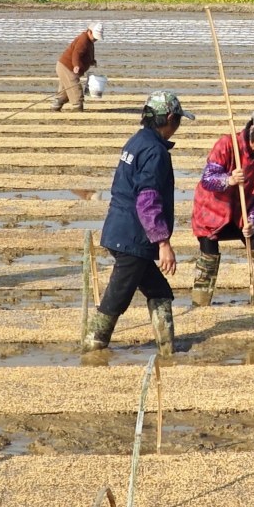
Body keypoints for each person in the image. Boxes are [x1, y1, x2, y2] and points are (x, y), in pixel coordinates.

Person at [83, 91, 195, 357]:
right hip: (133, 238)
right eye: (178, 120)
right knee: (117, 296)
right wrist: (163, 242)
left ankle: (167, 349)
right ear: (168, 118)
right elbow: (147, 199)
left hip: (119, 230)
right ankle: (92, 346)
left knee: (159, 291)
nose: (177, 125)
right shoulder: (156, 152)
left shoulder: (135, 142)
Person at [191, 110, 254, 306]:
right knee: (208, 257)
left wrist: (253, 221)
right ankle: (200, 303)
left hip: (244, 211)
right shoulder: (227, 144)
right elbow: (208, 180)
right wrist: (229, 179)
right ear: (253, 130)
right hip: (212, 211)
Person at [52, 23, 102, 112]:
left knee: (66, 89)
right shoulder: (83, 40)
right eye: (95, 37)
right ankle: (77, 107)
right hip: (66, 67)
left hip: (66, 67)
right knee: (74, 87)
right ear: (89, 32)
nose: (95, 40)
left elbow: (87, 54)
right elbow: (76, 53)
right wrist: (76, 65)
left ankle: (56, 105)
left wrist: (92, 61)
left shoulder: (89, 41)